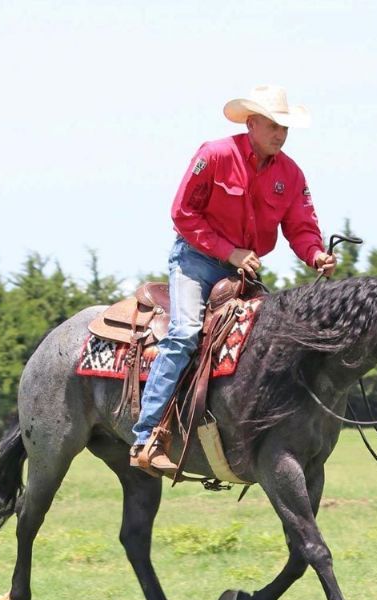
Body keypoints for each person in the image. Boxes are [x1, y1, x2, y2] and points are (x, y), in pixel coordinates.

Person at [130, 85, 336, 472]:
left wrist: (315, 254)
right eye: (273, 126)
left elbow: (302, 226)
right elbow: (183, 214)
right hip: (196, 261)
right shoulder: (215, 155)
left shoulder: (291, 174)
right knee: (186, 332)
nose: (280, 134)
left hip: (245, 272)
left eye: (285, 128)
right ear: (252, 123)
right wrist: (230, 252)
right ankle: (148, 437)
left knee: (274, 342)